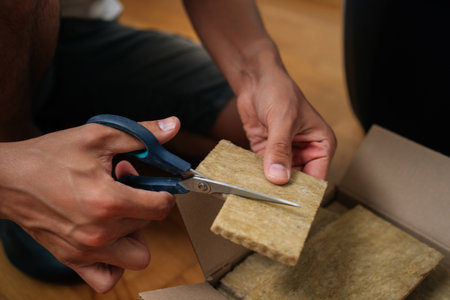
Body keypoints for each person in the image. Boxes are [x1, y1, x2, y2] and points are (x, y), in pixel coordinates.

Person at [0, 0, 336, 293]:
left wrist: (258, 73)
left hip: (72, 31)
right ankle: (26, 140)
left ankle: (65, 123)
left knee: (261, 134)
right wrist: (11, 179)